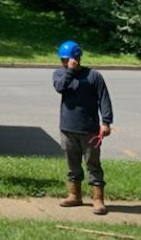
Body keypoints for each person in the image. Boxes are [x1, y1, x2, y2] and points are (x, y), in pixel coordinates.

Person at [53, 41, 114, 215]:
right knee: (73, 165)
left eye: (68, 60)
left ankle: (98, 199)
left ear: (78, 58)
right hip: (67, 128)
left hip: (90, 130)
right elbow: (59, 87)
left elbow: (104, 99)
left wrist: (106, 122)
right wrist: (70, 71)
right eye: (63, 60)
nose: (65, 63)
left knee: (93, 164)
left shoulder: (94, 76)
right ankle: (74, 195)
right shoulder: (60, 74)